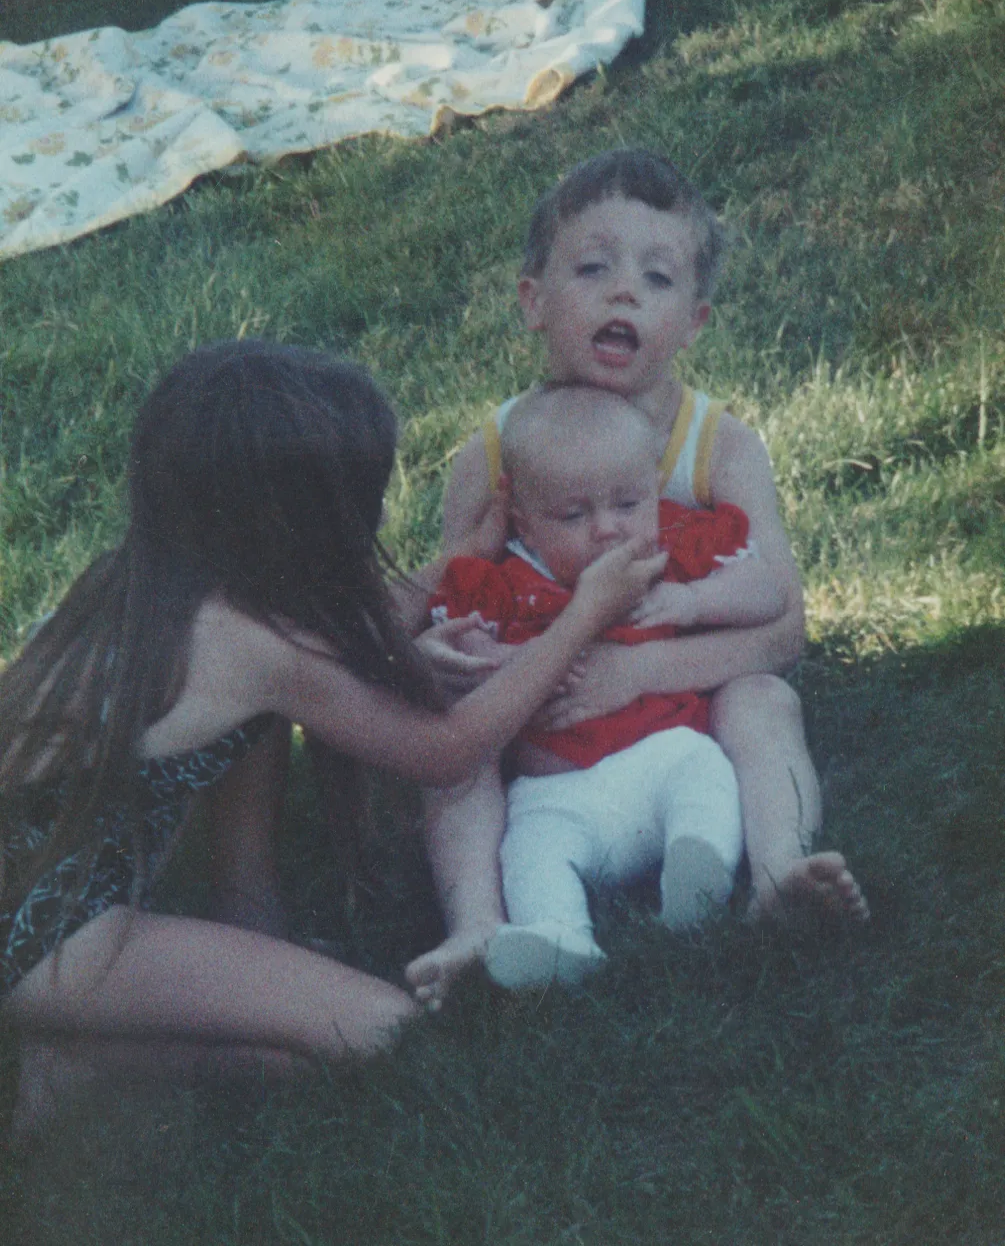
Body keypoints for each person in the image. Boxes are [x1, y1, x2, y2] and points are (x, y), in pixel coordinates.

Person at [0, 339, 666, 1138]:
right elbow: (448, 751)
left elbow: (339, 647)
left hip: (51, 897)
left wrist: (454, 563)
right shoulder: (250, 644)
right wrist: (585, 614)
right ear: (293, 523)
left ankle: (246, 923)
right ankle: (71, 1067)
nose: (378, 516)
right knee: (388, 1034)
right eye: (362, 500)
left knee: (254, 742)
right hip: (49, 932)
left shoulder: (156, 582)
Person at [404, 148, 869, 1006]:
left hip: (682, 721)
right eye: (592, 268)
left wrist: (637, 672)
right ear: (532, 301)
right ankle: (474, 924)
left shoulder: (716, 446)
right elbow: (456, 589)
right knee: (454, 751)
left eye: (655, 279)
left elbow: (782, 630)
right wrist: (444, 647)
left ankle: (775, 873)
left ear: (691, 321)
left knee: (765, 699)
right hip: (543, 740)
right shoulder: (494, 452)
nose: (624, 293)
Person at [429, 388, 792, 988]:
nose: (606, 529)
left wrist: (694, 600)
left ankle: (698, 873)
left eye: (627, 503)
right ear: (524, 521)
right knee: (530, 851)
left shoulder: (673, 545)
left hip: (664, 753)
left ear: (654, 489)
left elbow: (767, 594)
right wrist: (510, 659)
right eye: (573, 516)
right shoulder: (502, 579)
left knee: (703, 775)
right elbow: (456, 643)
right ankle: (560, 939)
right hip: (554, 788)